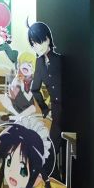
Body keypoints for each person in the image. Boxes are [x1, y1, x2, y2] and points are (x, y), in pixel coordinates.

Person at [24, 21, 64, 175]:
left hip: (71, 110)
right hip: (56, 111)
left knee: (56, 149)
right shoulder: (39, 62)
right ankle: (53, 181)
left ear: (47, 39)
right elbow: (35, 89)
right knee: (50, 149)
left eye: (38, 42)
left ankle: (56, 180)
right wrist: (45, 109)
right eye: (33, 44)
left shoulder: (60, 60)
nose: (36, 47)